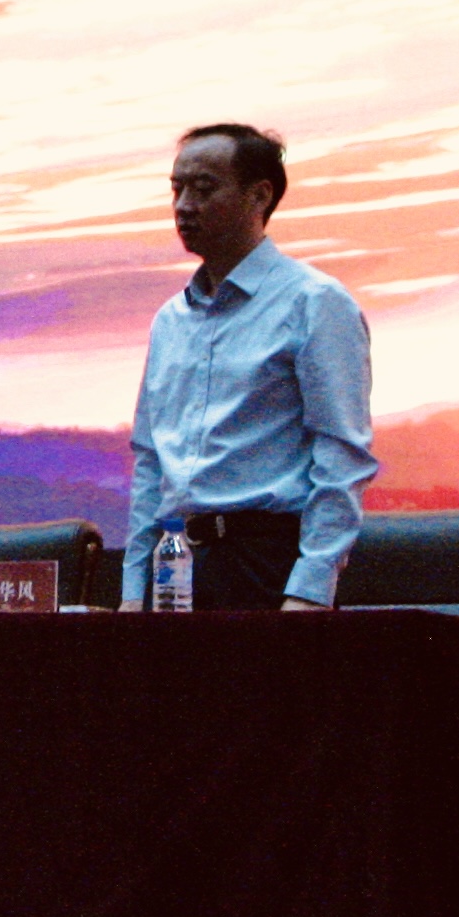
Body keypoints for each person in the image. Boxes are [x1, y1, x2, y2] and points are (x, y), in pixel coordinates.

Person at [122, 122, 376, 614]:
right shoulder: (170, 320)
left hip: (267, 563)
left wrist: (310, 589)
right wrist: (133, 591)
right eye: (177, 189)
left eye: (204, 189)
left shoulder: (314, 302)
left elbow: (342, 456)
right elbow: (151, 462)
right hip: (176, 563)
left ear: (259, 196)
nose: (184, 206)